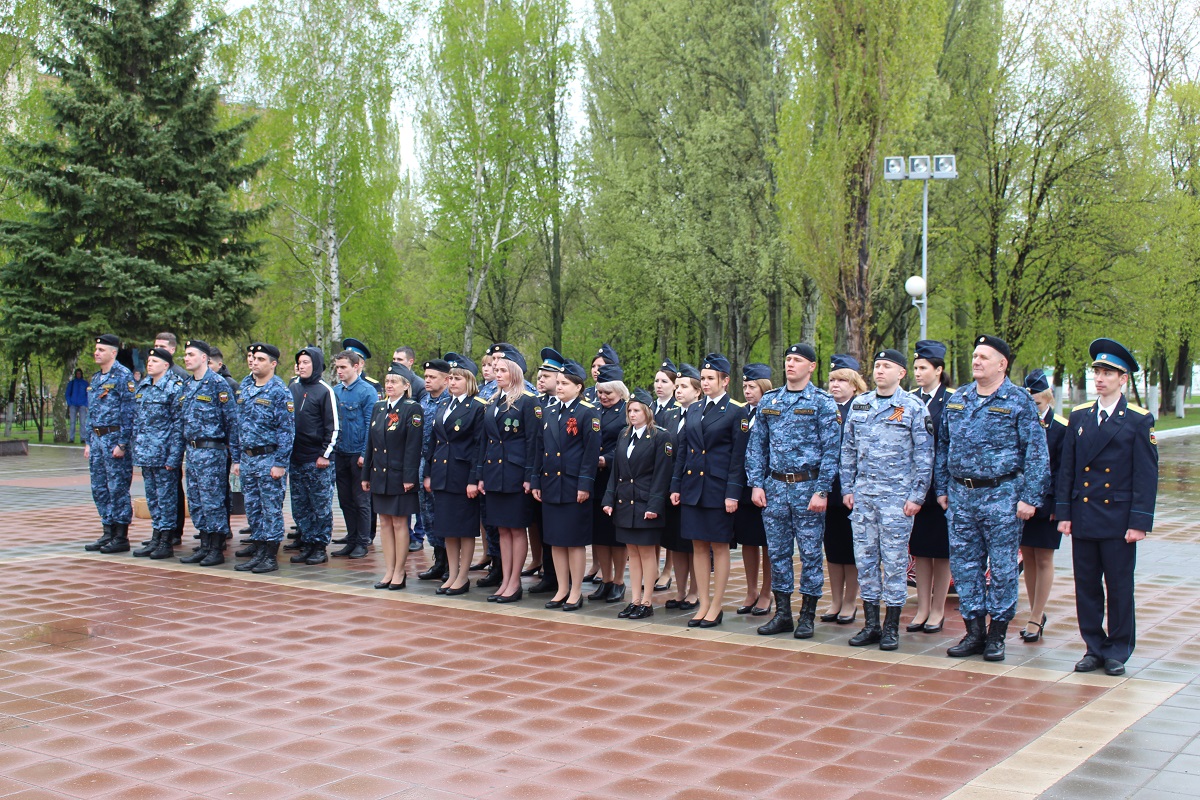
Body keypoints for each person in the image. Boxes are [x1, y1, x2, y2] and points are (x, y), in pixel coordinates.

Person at [935, 335, 1049, 662]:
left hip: (1003, 495)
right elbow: (943, 446)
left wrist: (1030, 497)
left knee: (1001, 568)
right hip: (961, 496)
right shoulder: (959, 399)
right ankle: (974, 632)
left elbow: (1037, 454)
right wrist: (942, 489)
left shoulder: (1018, 401)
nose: (976, 361)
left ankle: (997, 633)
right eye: (974, 356)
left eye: (984, 357)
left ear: (1003, 364)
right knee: (965, 566)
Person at [1058, 338, 1158, 677]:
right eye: (1097, 372)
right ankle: (1093, 647)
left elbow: (1146, 475)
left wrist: (1139, 521)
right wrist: (1065, 513)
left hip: (1117, 519)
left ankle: (1117, 648)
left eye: (1108, 373)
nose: (1100, 378)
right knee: (1086, 586)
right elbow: (1068, 469)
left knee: (1118, 587)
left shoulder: (1137, 420)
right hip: (1085, 515)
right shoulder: (1080, 416)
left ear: (1123, 379)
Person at [840, 349, 934, 650]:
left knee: (894, 563)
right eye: (877, 366)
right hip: (864, 497)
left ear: (901, 373)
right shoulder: (861, 404)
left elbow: (925, 455)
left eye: (887, 367)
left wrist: (917, 496)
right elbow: (848, 450)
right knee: (866, 562)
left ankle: (891, 627)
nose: (880, 371)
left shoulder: (913, 407)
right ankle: (871, 625)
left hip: (896, 499)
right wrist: (848, 489)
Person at [745, 343, 840, 638]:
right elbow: (756, 445)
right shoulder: (770, 400)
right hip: (774, 488)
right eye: (788, 359)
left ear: (811, 366)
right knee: (778, 553)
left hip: (807, 487)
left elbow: (831, 450)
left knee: (811, 554)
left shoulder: (823, 402)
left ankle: (807, 615)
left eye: (798, 360)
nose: (790, 364)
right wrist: (756, 483)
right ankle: (783, 613)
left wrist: (822, 490)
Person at [671, 353, 750, 628]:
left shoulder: (736, 411)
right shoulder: (693, 408)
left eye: (710, 378)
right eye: (702, 378)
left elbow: (738, 457)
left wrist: (733, 493)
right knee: (698, 545)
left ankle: (716, 605)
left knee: (719, 545)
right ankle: (702, 603)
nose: (705, 383)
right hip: (693, 486)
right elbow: (683, 450)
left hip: (717, 487)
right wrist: (676, 485)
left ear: (725, 381)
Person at [532, 359, 601, 611]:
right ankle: (561, 588)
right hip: (551, 484)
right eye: (558, 383)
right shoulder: (549, 411)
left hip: (573, 485)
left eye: (564, 383)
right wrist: (536, 479)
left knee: (573, 540)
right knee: (555, 540)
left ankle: (575, 590)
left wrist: (585, 484)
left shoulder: (587, 412)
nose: (559, 387)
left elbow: (591, 453)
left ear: (578, 386)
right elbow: (541, 448)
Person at [604, 388, 673, 619]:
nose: (632, 415)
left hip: (645, 503)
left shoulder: (660, 436)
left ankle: (647, 601)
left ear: (647, 411)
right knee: (631, 553)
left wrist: (654, 506)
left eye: (637, 410)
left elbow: (662, 475)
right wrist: (609, 499)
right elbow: (616, 471)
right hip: (625, 501)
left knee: (646, 553)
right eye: (630, 410)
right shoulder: (624, 434)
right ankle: (634, 600)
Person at [477, 344, 539, 603]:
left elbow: (533, 442)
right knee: (502, 529)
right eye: (495, 368)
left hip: (515, 473)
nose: (497, 373)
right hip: (494, 473)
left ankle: (514, 583)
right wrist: (480, 474)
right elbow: (485, 441)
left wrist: (529, 476)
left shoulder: (528, 401)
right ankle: (505, 579)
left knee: (515, 530)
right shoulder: (493, 401)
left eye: (503, 369)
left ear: (514, 372)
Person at [424, 352, 485, 594]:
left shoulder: (477, 407)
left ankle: (462, 576)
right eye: (450, 378)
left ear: (469, 381)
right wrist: (428, 473)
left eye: (457, 379)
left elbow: (479, 446)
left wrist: (473, 479)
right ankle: (451, 571)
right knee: (447, 528)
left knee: (464, 529)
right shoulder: (444, 405)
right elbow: (433, 442)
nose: (452, 383)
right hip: (442, 473)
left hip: (462, 475)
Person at [231, 343, 295, 574]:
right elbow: (239, 425)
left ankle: (270, 555)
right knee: (253, 508)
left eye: (260, 359)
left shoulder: (279, 390)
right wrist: (237, 459)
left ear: (273, 364)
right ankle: (258, 552)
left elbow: (286, 431)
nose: (254, 362)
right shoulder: (246, 386)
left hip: (269, 459)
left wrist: (280, 463)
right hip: (248, 459)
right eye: (253, 358)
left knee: (270, 510)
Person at [178, 340, 241, 567]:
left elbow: (232, 423)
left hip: (212, 452)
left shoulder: (218, 384)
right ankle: (204, 544)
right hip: (192, 452)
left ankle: (216, 547)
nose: (186, 358)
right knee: (196, 501)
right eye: (185, 355)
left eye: (191, 354)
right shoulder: (187, 385)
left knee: (213, 501)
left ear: (204, 358)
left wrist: (236, 457)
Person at [362, 362, 423, 589]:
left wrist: (409, 477)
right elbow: (371, 444)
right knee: (385, 523)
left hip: (399, 477)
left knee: (400, 524)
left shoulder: (411, 408)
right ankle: (388, 570)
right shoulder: (379, 408)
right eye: (387, 381)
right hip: (379, 475)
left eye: (394, 381)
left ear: (406, 385)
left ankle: (400, 571)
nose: (389, 385)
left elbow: (412, 446)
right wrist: (366, 473)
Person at [907, 340, 954, 634]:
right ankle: (922, 607)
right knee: (920, 550)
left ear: (938, 370)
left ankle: (938, 609)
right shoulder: (909, 400)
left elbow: (951, 446)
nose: (918, 373)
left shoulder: (951, 400)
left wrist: (944, 486)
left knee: (942, 550)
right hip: (914, 489)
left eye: (923, 367)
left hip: (940, 489)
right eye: (915, 368)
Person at [1019, 369, 1068, 643]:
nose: (1033, 407)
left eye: (1036, 402)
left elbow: (1063, 469)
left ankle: (1037, 615)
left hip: (1048, 502)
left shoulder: (1061, 426)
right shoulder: (1022, 423)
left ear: (1047, 398)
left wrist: (1058, 505)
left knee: (1045, 557)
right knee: (1028, 556)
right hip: (1024, 501)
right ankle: (1034, 610)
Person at [82, 334, 136, 553]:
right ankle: (107, 531)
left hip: (114, 439)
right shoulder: (96, 378)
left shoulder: (123, 376)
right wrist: (88, 442)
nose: (97, 353)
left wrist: (123, 443)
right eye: (96, 349)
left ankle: (121, 535)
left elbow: (129, 412)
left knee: (117, 488)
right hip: (97, 440)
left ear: (113, 352)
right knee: (99, 488)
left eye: (101, 350)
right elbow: (91, 412)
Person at [286, 347, 340, 566]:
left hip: (317, 460)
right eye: (299, 362)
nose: (301, 366)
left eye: (306, 362)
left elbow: (334, 427)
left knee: (320, 506)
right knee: (300, 505)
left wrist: (325, 454)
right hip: (295, 459)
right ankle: (307, 542)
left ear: (316, 364)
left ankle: (319, 545)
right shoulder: (293, 388)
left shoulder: (325, 391)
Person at [822, 354, 865, 624]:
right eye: (832, 380)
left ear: (854, 384)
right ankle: (836, 600)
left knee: (852, 549)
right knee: (833, 548)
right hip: (828, 488)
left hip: (855, 489)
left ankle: (851, 601)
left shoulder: (862, 409)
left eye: (841, 380)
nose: (835, 385)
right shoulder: (826, 408)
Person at [130, 348, 184, 559]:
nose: (149, 364)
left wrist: (174, 456)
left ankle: (166, 540)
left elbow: (179, 426)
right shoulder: (143, 386)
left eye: (154, 361)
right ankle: (156, 536)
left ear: (166, 365)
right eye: (148, 360)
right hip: (147, 455)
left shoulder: (174, 388)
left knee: (167, 500)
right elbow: (138, 421)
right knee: (153, 499)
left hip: (164, 456)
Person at [661, 365, 701, 612]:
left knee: (693, 544)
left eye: (684, 386)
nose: (678, 391)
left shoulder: (700, 415)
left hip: (693, 486)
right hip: (672, 487)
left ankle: (696, 591)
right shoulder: (670, 416)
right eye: (677, 387)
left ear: (697, 391)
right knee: (675, 543)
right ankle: (680, 590)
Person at [589, 362, 630, 604]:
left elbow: (626, 444)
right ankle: (604, 580)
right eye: (600, 392)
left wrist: (606, 459)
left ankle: (618, 581)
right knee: (599, 536)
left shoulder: (626, 411)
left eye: (608, 393)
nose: (603, 397)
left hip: (615, 478)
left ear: (620, 392)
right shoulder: (593, 409)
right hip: (595, 480)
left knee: (615, 535)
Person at [734, 363, 773, 617]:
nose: (748, 391)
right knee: (748, 541)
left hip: (769, 485)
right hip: (745, 486)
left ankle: (767, 592)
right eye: (745, 386)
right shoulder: (740, 415)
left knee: (768, 542)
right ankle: (751, 589)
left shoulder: (772, 411)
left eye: (753, 386)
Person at [526, 350, 566, 595]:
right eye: (539, 376)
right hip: (542, 475)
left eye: (547, 376)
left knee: (561, 530)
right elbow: (533, 444)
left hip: (562, 477)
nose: (541, 380)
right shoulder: (536, 403)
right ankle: (548, 572)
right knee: (543, 527)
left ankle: (560, 576)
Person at [332, 349, 378, 558]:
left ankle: (362, 540)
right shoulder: (336, 391)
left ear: (356, 366)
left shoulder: (367, 391)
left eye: (344, 367)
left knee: (361, 500)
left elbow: (370, 424)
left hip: (358, 453)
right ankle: (351, 539)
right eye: (337, 367)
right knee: (345, 500)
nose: (339, 371)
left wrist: (364, 454)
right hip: (340, 452)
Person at [417, 358, 451, 581]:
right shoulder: (424, 401)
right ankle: (439, 560)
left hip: (444, 466)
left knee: (445, 515)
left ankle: (451, 562)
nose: (427, 381)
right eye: (426, 377)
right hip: (423, 464)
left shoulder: (451, 402)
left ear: (446, 380)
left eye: (432, 377)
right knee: (428, 515)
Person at [393, 345, 427, 552]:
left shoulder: (419, 385)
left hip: (417, 448)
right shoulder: (393, 382)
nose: (396, 362)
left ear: (410, 361)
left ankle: (418, 535)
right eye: (394, 359)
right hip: (398, 450)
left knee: (419, 497)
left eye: (400, 359)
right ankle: (404, 534)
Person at [651, 358, 680, 590]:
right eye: (656, 381)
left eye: (664, 381)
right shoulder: (649, 407)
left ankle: (668, 570)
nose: (659, 385)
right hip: (649, 475)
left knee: (669, 526)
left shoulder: (676, 409)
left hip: (669, 473)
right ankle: (654, 568)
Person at [65, 368, 89, 444]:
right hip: (73, 405)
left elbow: (88, 394)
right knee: (72, 422)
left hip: (82, 405)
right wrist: (69, 403)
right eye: (77, 373)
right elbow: (67, 394)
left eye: (79, 373)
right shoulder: (72, 383)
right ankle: (71, 438)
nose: (78, 375)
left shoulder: (85, 383)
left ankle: (83, 438)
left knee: (83, 422)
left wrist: (86, 403)